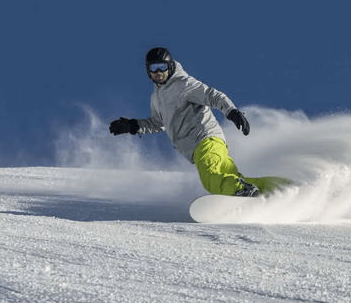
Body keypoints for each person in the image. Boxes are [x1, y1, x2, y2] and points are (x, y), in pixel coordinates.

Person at [109, 47, 289, 197]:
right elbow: (158, 123)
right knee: (231, 178)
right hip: (207, 145)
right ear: (148, 71)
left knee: (212, 181)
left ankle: (243, 192)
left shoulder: (183, 84)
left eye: (162, 67)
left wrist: (232, 111)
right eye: (153, 68)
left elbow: (212, 95)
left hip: (204, 140)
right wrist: (133, 126)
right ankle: (282, 188)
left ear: (170, 66)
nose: (158, 73)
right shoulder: (156, 97)